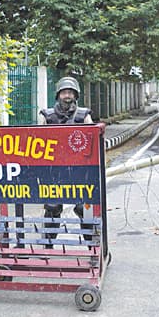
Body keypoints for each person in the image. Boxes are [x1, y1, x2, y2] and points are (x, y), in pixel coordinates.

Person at [39, 76, 93, 248]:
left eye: (70, 92)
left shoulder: (85, 115)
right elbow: (37, 140)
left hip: (79, 171)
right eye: (64, 92)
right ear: (58, 95)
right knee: (52, 208)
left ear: (75, 95)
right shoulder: (47, 116)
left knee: (84, 207)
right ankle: (48, 246)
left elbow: (92, 140)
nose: (67, 95)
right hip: (54, 171)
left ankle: (92, 246)